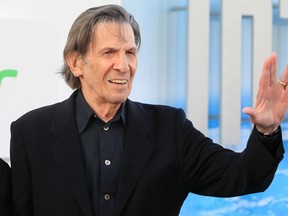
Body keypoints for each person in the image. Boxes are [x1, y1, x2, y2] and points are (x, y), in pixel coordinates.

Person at [10, 4, 287, 216]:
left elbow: (241, 176)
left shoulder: (170, 127)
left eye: (130, 53)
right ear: (75, 62)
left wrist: (267, 130)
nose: (124, 65)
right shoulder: (31, 133)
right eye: (109, 52)